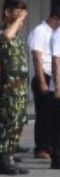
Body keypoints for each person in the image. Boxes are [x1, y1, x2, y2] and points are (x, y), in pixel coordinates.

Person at [0, 0, 32, 177]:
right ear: (7, 13)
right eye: (17, 12)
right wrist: (17, 21)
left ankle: (9, 157)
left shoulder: (17, 36)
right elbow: (5, 38)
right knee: (6, 123)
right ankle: (2, 160)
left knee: (16, 123)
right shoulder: (0, 32)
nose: (21, 18)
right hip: (8, 87)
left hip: (20, 87)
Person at [30, 9, 59, 162]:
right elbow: (37, 58)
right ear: (54, 18)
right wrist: (42, 81)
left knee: (53, 115)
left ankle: (52, 145)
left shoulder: (54, 33)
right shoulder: (40, 31)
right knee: (44, 115)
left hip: (53, 78)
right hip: (44, 76)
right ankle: (42, 147)